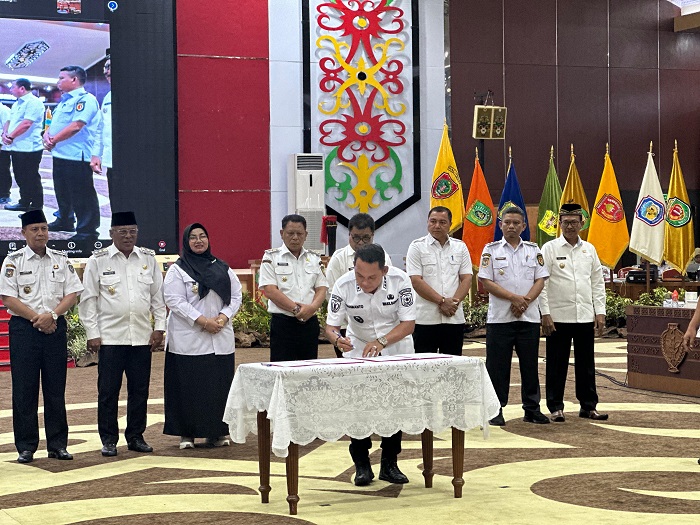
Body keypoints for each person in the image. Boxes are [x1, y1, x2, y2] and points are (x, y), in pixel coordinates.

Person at [325, 243, 416, 486]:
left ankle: (389, 463)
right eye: (359, 275)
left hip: (395, 344)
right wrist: (337, 339)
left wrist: (382, 342)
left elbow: (408, 324)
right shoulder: (343, 285)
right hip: (358, 347)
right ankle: (361, 464)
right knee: (359, 404)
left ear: (384, 270)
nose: (364, 282)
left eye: (371, 277)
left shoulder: (401, 281)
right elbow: (331, 326)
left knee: (394, 404)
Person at [78, 212, 166, 456]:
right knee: (108, 391)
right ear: (111, 233)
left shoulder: (147, 258)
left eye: (132, 231)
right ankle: (109, 439)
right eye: (123, 232)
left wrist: (160, 327)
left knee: (139, 390)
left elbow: (157, 297)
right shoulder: (98, 260)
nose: (128, 236)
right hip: (110, 338)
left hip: (141, 336)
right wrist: (92, 332)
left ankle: (136, 436)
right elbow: (88, 300)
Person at [0, 210, 83, 463]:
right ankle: (26, 446)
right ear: (23, 232)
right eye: (35, 229)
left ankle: (58, 445)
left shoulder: (61, 259)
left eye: (44, 229)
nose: (40, 233)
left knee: (55, 389)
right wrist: (38, 318)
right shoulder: (13, 261)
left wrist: (52, 316)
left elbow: (72, 293)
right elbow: (8, 298)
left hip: (55, 327)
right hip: (24, 329)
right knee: (24, 389)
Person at [163, 223, 242, 449]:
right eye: (193, 237)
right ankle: (186, 434)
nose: (198, 241)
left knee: (217, 387)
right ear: (186, 242)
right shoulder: (178, 270)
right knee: (188, 387)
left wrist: (223, 318)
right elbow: (175, 300)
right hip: (188, 338)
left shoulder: (222, 267)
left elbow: (236, 296)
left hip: (219, 335)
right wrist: (203, 321)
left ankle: (216, 432)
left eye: (202, 236)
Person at [478, 206, 550, 426]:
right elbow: (486, 281)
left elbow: (540, 280)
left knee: (530, 365)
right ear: (500, 225)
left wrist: (524, 301)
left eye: (516, 223)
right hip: (500, 319)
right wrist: (514, 299)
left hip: (528, 318)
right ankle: (495, 409)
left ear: (523, 226)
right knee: (497, 367)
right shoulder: (491, 250)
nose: (511, 226)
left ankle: (532, 409)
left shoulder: (533, 250)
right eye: (507, 222)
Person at [540, 203, 608, 422]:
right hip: (558, 316)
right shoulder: (549, 248)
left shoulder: (589, 249)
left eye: (574, 222)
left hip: (584, 315)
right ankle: (555, 407)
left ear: (582, 223)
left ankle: (588, 406)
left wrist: (600, 312)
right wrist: (545, 313)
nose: (570, 226)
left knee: (586, 364)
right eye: (566, 222)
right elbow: (541, 283)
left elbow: (597, 282)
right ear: (559, 224)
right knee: (556, 363)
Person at [44, 65, 101, 242]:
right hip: (60, 154)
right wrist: (47, 134)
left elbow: (76, 125)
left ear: (74, 80)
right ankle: (65, 220)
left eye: (62, 78)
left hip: (77, 156)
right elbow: (54, 123)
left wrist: (53, 140)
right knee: (62, 192)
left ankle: (87, 231)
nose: (58, 81)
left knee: (82, 195)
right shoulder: (64, 101)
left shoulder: (86, 100)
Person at [259, 214, 327, 361]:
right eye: (290, 233)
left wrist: (311, 308)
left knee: (308, 368)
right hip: (283, 324)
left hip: (310, 323)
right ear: (282, 233)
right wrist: (297, 310)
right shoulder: (271, 257)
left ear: (306, 235)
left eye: (299, 233)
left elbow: (322, 288)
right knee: (282, 368)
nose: (295, 238)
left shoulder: (314, 258)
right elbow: (270, 290)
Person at [406, 206, 472, 355]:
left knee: (452, 364)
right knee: (424, 364)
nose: (437, 226)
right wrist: (442, 302)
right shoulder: (417, 247)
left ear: (450, 224)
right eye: (433, 221)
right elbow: (416, 281)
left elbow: (466, 278)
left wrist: (453, 304)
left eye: (442, 222)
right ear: (427, 222)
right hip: (425, 319)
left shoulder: (460, 247)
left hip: (453, 318)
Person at [325, 212, 392, 357]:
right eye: (356, 237)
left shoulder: (383, 257)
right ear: (349, 234)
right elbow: (331, 293)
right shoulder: (338, 258)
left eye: (366, 238)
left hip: (379, 327)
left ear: (373, 235)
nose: (361, 242)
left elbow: (387, 289)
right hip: (346, 325)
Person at [2, 79, 46, 211]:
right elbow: (10, 121)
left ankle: (36, 206)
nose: (10, 89)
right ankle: (24, 202)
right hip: (17, 146)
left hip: (29, 148)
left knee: (31, 177)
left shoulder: (33, 102)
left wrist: (10, 136)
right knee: (20, 177)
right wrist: (5, 133)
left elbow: (26, 124)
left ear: (22, 88)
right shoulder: (17, 104)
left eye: (13, 87)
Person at [90, 56, 124, 212]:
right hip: (112, 161)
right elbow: (101, 129)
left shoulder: (137, 94)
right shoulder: (108, 97)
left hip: (134, 163)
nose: (106, 71)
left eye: (109, 66)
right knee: (116, 202)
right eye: (105, 68)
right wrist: (96, 154)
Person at [0, 102, 11, 204]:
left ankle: (5, 194)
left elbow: (7, 129)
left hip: (2, 147)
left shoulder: (4, 110)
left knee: (3, 171)